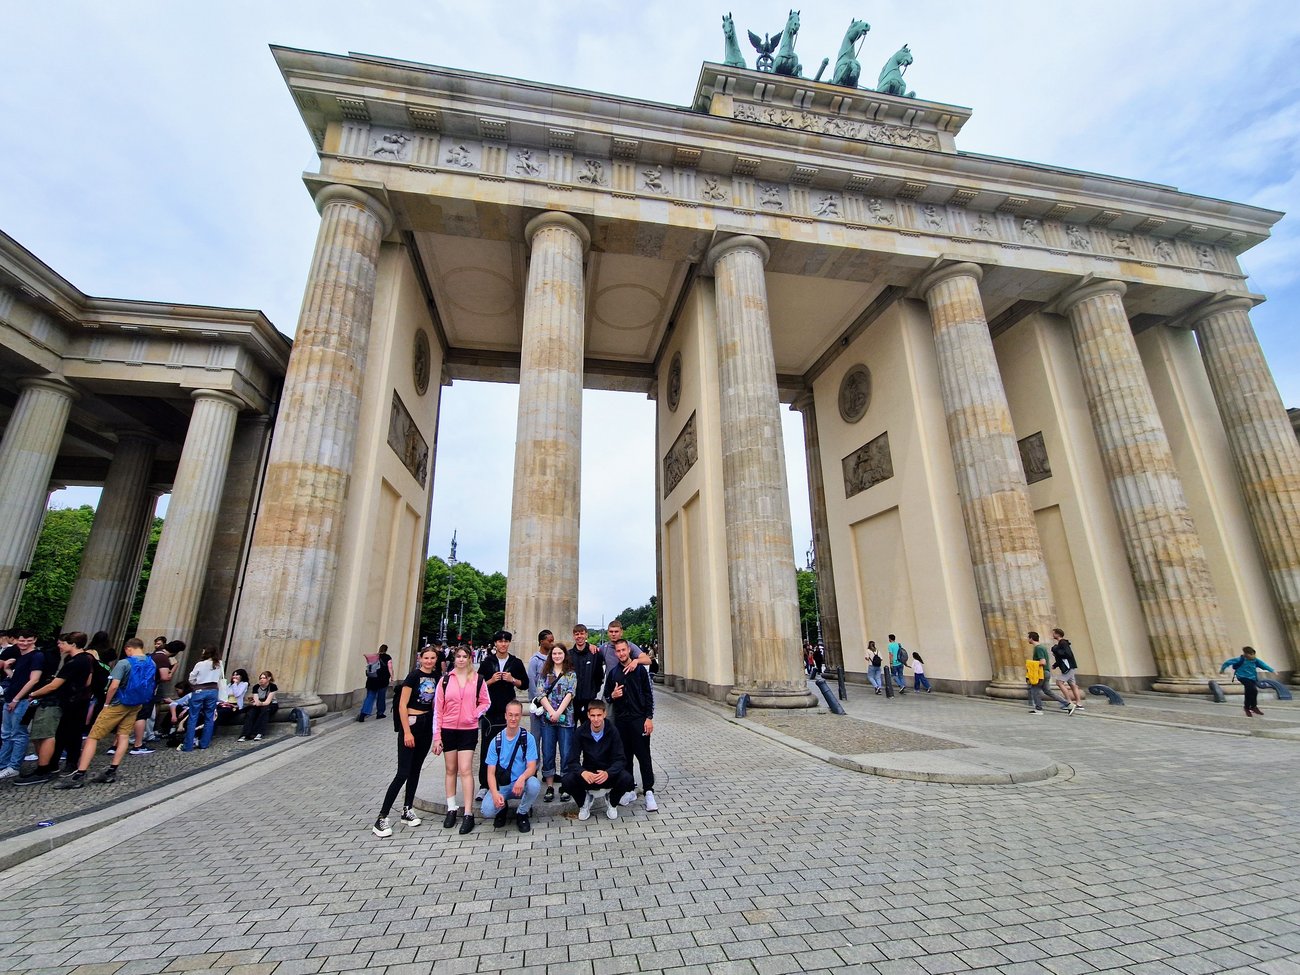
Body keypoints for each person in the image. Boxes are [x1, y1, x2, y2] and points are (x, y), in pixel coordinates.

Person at [55, 638, 156, 789]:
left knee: (93, 737)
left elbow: (114, 686)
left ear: (129, 648)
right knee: (123, 735)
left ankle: (80, 774)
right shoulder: (151, 662)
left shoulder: (124, 663)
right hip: (136, 703)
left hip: (118, 703)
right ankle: (111, 771)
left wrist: (107, 703)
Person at [372, 647, 441, 838]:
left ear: (436, 659)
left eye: (432, 658)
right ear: (420, 658)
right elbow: (402, 705)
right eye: (426, 657)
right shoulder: (413, 676)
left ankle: (407, 809)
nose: (429, 661)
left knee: (416, 770)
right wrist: (407, 732)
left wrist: (437, 732)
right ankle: (382, 817)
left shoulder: (436, 677)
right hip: (411, 723)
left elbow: (435, 703)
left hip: (426, 724)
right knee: (402, 772)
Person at [16, 631, 94, 785]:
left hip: (61, 701)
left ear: (72, 644)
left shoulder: (75, 661)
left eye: (62, 643)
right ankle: (52, 766)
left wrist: (33, 694)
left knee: (47, 735)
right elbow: (87, 682)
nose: (59, 646)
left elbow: (54, 685)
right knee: (61, 734)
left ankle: (46, 768)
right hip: (73, 701)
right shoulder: (85, 659)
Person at [433, 645, 489, 834]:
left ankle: (468, 812)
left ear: (470, 659)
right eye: (458, 656)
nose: (461, 659)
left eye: (465, 656)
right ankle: (451, 807)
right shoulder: (445, 680)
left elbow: (485, 702)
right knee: (450, 769)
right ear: (454, 658)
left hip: (468, 729)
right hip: (448, 728)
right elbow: (438, 710)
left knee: (465, 769)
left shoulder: (478, 679)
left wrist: (475, 714)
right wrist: (436, 736)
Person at [603, 638, 657, 812]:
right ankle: (629, 789)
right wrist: (613, 695)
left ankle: (649, 791)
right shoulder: (613, 673)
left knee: (644, 756)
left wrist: (649, 718)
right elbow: (607, 697)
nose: (621, 653)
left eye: (623, 650)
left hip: (638, 719)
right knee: (625, 758)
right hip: (621, 721)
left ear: (629, 650)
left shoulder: (640, 670)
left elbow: (649, 694)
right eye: (618, 651)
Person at [476, 630, 529, 798]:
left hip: (509, 711)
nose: (503, 644)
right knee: (487, 748)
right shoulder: (487, 662)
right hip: (490, 712)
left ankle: (506, 780)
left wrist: (511, 679)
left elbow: (524, 684)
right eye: (500, 641)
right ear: (495, 644)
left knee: (509, 747)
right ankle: (484, 784)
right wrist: (491, 680)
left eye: (506, 641)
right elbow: (477, 686)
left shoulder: (516, 662)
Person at [561, 699, 634, 821]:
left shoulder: (613, 731)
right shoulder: (580, 732)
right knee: (567, 781)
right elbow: (572, 760)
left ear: (604, 714)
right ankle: (584, 804)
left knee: (627, 778)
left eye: (599, 715)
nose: (596, 719)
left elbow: (621, 759)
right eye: (593, 715)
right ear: (588, 715)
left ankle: (612, 802)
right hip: (589, 775)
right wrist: (583, 772)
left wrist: (608, 773)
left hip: (607, 774)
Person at [480, 700, 540, 832]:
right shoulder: (496, 741)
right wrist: (495, 793)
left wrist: (522, 778)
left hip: (520, 784)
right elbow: (490, 773)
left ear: (520, 716)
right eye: (510, 715)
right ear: (505, 716)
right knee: (487, 810)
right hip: (502, 785)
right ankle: (502, 808)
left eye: (517, 715)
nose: (513, 719)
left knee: (534, 784)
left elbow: (532, 767)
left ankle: (522, 812)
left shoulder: (527, 738)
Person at [537, 641, 577, 803]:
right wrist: (551, 712)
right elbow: (541, 693)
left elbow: (570, 693)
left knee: (566, 753)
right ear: (550, 656)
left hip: (566, 718)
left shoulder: (571, 674)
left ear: (564, 655)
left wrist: (558, 712)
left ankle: (566, 785)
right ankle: (550, 786)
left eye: (560, 653)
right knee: (548, 752)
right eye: (554, 653)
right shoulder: (544, 672)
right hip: (548, 719)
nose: (557, 656)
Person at [0, 628, 43, 779]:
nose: (24, 643)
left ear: (34, 640)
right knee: (6, 734)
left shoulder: (36, 656)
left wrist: (17, 698)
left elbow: (34, 680)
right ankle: (4, 764)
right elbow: (18, 679)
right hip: (12, 698)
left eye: (28, 640)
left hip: (21, 700)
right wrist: (7, 669)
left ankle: (13, 766)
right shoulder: (22, 656)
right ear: (16, 640)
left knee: (18, 733)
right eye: (22, 640)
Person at [129, 640, 176, 755]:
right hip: (148, 690)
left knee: (132, 714)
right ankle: (137, 743)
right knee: (142, 715)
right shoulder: (163, 659)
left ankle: (118, 744)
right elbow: (165, 677)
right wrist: (174, 668)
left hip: (134, 690)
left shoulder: (149, 657)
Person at [181, 646, 225, 751]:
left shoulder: (200, 664)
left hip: (200, 690)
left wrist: (197, 684)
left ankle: (188, 745)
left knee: (193, 716)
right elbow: (220, 678)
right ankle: (204, 743)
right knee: (209, 717)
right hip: (213, 691)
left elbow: (191, 678)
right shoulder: (219, 664)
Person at [1221, 647, 1277, 717]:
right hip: (1242, 677)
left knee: (1251, 691)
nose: (1253, 656)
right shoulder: (1239, 660)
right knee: (1252, 689)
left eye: (1253, 654)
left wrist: (1272, 670)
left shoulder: (1255, 660)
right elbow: (1227, 663)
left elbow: (1264, 665)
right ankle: (1249, 707)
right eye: (1251, 654)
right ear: (1246, 654)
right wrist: (1222, 670)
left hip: (1252, 678)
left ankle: (1251, 707)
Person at [1026, 632, 1073, 715]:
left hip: (1042, 672)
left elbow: (1043, 662)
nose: (1027, 639)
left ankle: (1039, 709)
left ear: (1031, 638)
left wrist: (1030, 664)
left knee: (1035, 690)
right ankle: (1068, 704)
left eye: (1028, 638)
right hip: (1046, 672)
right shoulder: (1042, 647)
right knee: (1047, 691)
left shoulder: (1038, 648)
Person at [570, 624, 605, 728]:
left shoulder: (595, 654)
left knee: (588, 728)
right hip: (572, 699)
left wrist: (594, 691)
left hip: (589, 698)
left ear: (586, 635)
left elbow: (599, 676)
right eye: (577, 634)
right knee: (571, 729)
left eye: (582, 633)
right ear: (573, 636)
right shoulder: (568, 655)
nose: (579, 636)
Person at [526, 631, 554, 738]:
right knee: (535, 735)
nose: (552, 643)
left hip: (551, 703)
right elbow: (531, 681)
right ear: (542, 642)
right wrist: (537, 701)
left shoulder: (553, 658)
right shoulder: (535, 660)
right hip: (538, 703)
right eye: (550, 640)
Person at [237, 672, 278, 741]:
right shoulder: (256, 687)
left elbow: (267, 702)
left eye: (264, 678)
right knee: (250, 713)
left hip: (271, 704)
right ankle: (245, 734)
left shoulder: (272, 686)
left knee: (265, 711)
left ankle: (259, 733)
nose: (261, 680)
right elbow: (256, 699)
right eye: (260, 678)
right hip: (259, 704)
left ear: (269, 678)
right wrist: (255, 703)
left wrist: (259, 703)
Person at [357, 644, 393, 721]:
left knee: (370, 696)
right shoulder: (387, 657)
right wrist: (392, 677)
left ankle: (363, 713)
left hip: (371, 680)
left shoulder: (374, 657)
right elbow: (390, 667)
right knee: (381, 697)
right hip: (383, 681)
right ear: (386, 650)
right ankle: (380, 713)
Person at [1050, 628, 1084, 710]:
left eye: (1053, 633)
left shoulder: (1063, 643)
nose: (1052, 635)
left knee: (1059, 682)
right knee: (1073, 685)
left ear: (1058, 634)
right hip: (1070, 666)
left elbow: (1067, 654)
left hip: (1068, 667)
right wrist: (1055, 665)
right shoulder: (1062, 643)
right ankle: (1079, 703)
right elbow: (1061, 658)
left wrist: (1056, 650)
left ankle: (1069, 702)